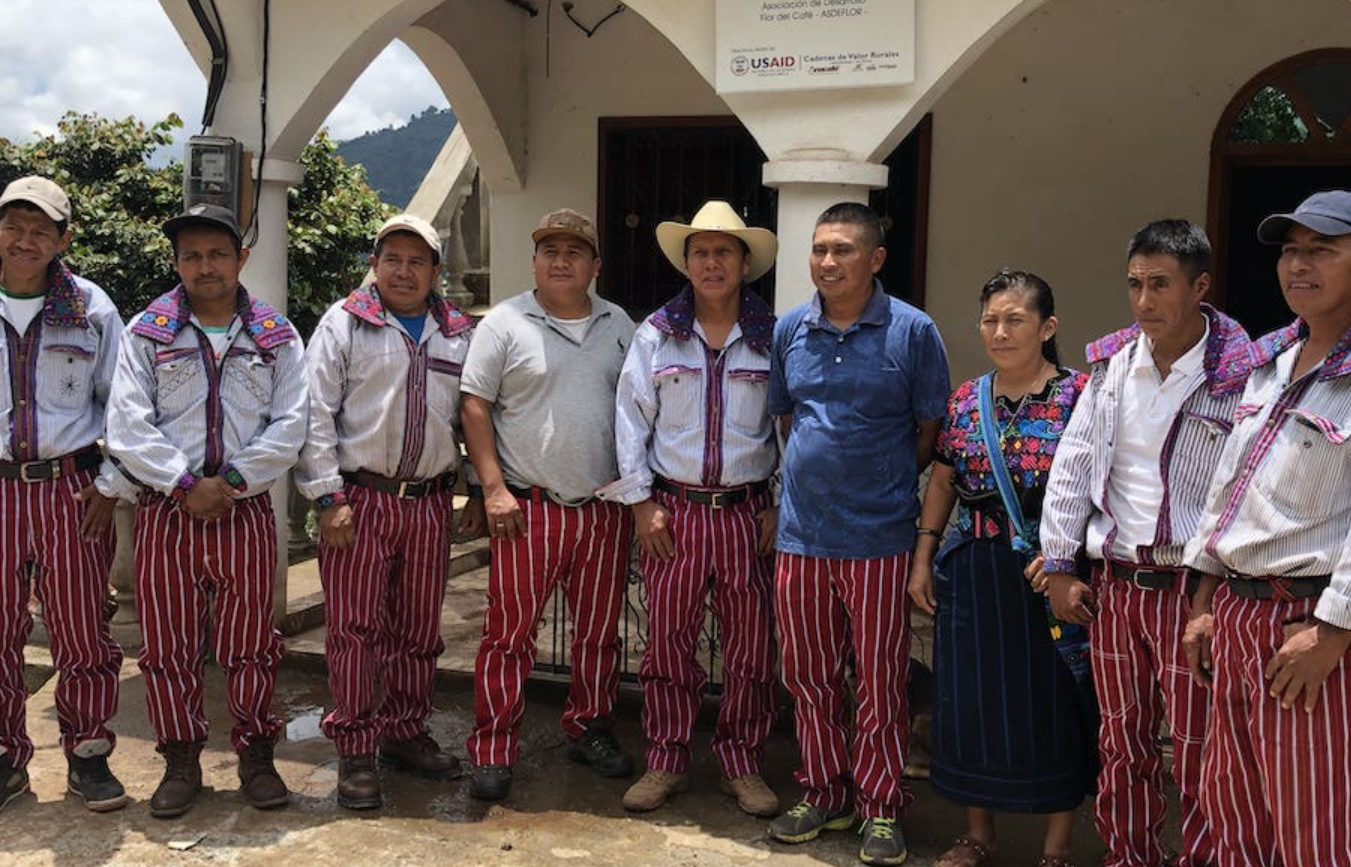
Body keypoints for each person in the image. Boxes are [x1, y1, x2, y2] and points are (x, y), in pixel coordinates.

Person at [1033, 221, 1248, 867]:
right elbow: (1072, 464)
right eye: (1134, 284)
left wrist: (1214, 594)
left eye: (1160, 284)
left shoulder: (1238, 376)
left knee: (1197, 745)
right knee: (1120, 739)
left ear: (1199, 285)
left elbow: (1241, 488)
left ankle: (1201, 857)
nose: (1144, 300)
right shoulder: (1111, 368)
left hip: (1191, 590)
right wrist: (1061, 563)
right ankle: (1127, 855)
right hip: (1116, 585)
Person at [106, 203, 307, 818]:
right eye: (191, 255)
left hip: (244, 512)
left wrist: (235, 480)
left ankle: (256, 754)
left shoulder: (276, 335)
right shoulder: (149, 331)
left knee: (251, 643)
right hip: (167, 510)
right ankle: (181, 758)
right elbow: (127, 423)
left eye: (217, 253)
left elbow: (292, 422)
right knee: (167, 645)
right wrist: (183, 482)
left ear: (241, 258)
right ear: (176, 262)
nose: (205, 266)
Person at [767, 202, 950, 866]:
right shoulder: (791, 328)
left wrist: (881, 481)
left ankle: (879, 804)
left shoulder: (912, 331)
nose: (826, 262)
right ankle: (822, 791)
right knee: (809, 675)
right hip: (801, 538)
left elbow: (929, 431)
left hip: (877, 537)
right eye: (818, 249)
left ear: (874, 259)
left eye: (842, 249)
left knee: (878, 678)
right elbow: (788, 420)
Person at [1182, 190, 1351, 867]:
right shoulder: (1272, 364)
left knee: (1313, 820)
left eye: (1322, 250)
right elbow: (1229, 484)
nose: (1298, 265)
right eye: (1289, 250)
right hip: (1235, 616)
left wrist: (1332, 629)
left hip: (1305, 623)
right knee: (1235, 807)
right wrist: (1201, 598)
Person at [297, 214, 485, 810]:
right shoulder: (346, 323)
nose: (405, 271)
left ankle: (405, 732)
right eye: (393, 259)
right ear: (375, 265)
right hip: (359, 501)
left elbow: (477, 418)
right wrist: (327, 497)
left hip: (428, 503)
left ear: (436, 271)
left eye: (418, 261)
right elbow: (315, 414)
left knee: (416, 629)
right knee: (355, 630)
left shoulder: (458, 333)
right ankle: (355, 746)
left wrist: (477, 489)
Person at [910, 270, 1095, 867]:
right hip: (973, 573)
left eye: (1015, 319)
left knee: (1053, 704)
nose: (1000, 330)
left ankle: (1057, 846)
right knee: (973, 704)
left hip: (1050, 577)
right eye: (990, 319)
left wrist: (1068, 558)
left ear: (1048, 326)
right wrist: (924, 556)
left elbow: (1101, 491)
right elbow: (942, 478)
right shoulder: (966, 400)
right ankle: (978, 833)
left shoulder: (1081, 397)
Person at [606, 200, 780, 816]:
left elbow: (790, 425)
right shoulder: (656, 333)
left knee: (750, 647)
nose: (712, 263)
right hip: (672, 516)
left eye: (724, 252)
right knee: (668, 642)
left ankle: (743, 764)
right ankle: (666, 759)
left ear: (744, 263)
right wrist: (639, 505)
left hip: (745, 514)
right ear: (686, 262)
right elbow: (630, 419)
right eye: (701, 252)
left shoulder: (771, 336)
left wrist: (777, 504)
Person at [460, 209, 636, 801]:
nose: (561, 261)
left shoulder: (619, 325)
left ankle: (590, 726)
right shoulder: (506, 322)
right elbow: (475, 406)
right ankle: (493, 748)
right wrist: (492, 489)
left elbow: (637, 410)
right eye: (550, 251)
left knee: (598, 635)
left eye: (575, 252)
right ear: (535, 260)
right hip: (526, 509)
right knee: (509, 637)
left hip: (602, 509)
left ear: (595, 265)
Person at [0, 176, 128, 812]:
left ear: (62, 239)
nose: (25, 239)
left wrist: (110, 482)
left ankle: (89, 754)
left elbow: (123, 405)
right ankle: (5, 758)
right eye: (13, 225)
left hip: (71, 490)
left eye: (40, 229)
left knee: (81, 629)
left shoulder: (90, 307)